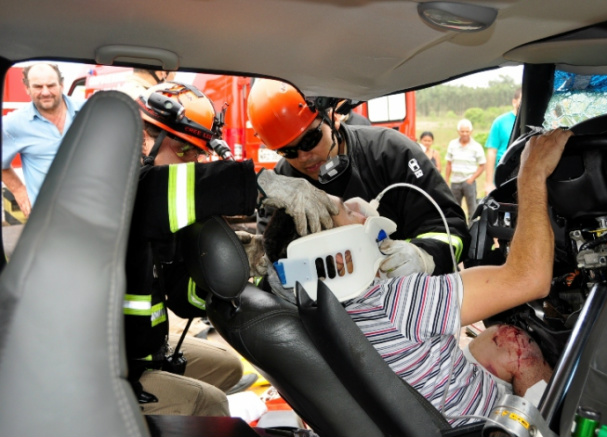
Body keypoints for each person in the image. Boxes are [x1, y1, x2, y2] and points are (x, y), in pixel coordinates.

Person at [260, 128, 572, 426]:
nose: (362, 213)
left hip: (408, 416)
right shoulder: (398, 302)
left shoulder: (298, 314)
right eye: (347, 211)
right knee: (517, 344)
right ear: (336, 254)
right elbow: (531, 278)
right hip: (470, 423)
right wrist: (533, 174)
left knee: (498, 338)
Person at [126, 81, 339, 416]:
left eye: (199, 154)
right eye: (185, 151)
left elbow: (184, 298)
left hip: (145, 350)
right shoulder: (118, 190)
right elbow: (156, 192)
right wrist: (265, 183)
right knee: (208, 404)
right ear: (144, 137)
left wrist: (233, 267)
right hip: (104, 365)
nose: (192, 164)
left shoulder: (158, 215)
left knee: (228, 367)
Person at [247, 78, 469, 277]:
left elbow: (452, 230)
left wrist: (424, 257)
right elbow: (273, 268)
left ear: (333, 116)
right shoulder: (282, 184)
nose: (304, 157)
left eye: (310, 140)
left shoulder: (390, 152)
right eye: (288, 152)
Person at [2, 63, 84, 218]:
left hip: (90, 211)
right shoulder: (13, 124)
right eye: (38, 87)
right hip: (47, 217)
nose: (45, 92)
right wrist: (18, 190)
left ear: (61, 85)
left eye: (51, 85)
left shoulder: (88, 111)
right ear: (27, 89)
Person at [445, 119, 486, 225]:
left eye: (467, 131)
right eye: (462, 131)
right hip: (455, 181)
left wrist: (472, 179)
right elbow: (448, 164)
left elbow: (482, 165)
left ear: (471, 132)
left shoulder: (476, 146)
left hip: (469, 182)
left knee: (472, 209)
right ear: (458, 132)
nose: (464, 134)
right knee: (454, 208)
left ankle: (471, 230)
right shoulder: (452, 144)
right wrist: (446, 179)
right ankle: (457, 227)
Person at [485, 88, 522, 194]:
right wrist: (488, 183)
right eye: (522, 100)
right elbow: (492, 152)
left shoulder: (537, 122)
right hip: (503, 176)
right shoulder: (500, 122)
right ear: (514, 101)